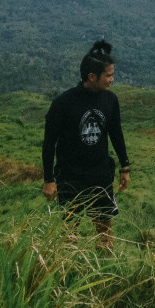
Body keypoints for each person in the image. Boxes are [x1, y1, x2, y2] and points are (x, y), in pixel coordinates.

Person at [42, 40, 130, 251]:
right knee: (69, 227)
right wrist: (49, 179)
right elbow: (49, 143)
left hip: (100, 174)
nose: (112, 79)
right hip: (70, 176)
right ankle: (67, 267)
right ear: (92, 77)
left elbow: (116, 133)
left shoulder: (110, 100)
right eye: (108, 75)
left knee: (104, 225)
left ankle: (106, 262)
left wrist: (124, 167)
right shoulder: (63, 103)